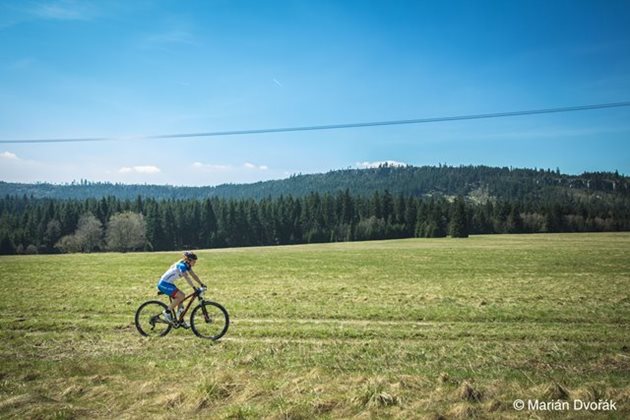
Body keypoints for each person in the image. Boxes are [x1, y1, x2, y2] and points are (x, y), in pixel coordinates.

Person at [157, 251, 206, 327]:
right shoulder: (182, 266)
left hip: (168, 283)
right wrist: (193, 287)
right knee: (181, 296)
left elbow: (193, 275)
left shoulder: (187, 265)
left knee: (181, 298)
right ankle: (167, 312)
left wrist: (201, 284)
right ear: (189, 260)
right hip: (163, 284)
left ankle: (181, 320)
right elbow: (186, 277)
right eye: (194, 261)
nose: (195, 263)